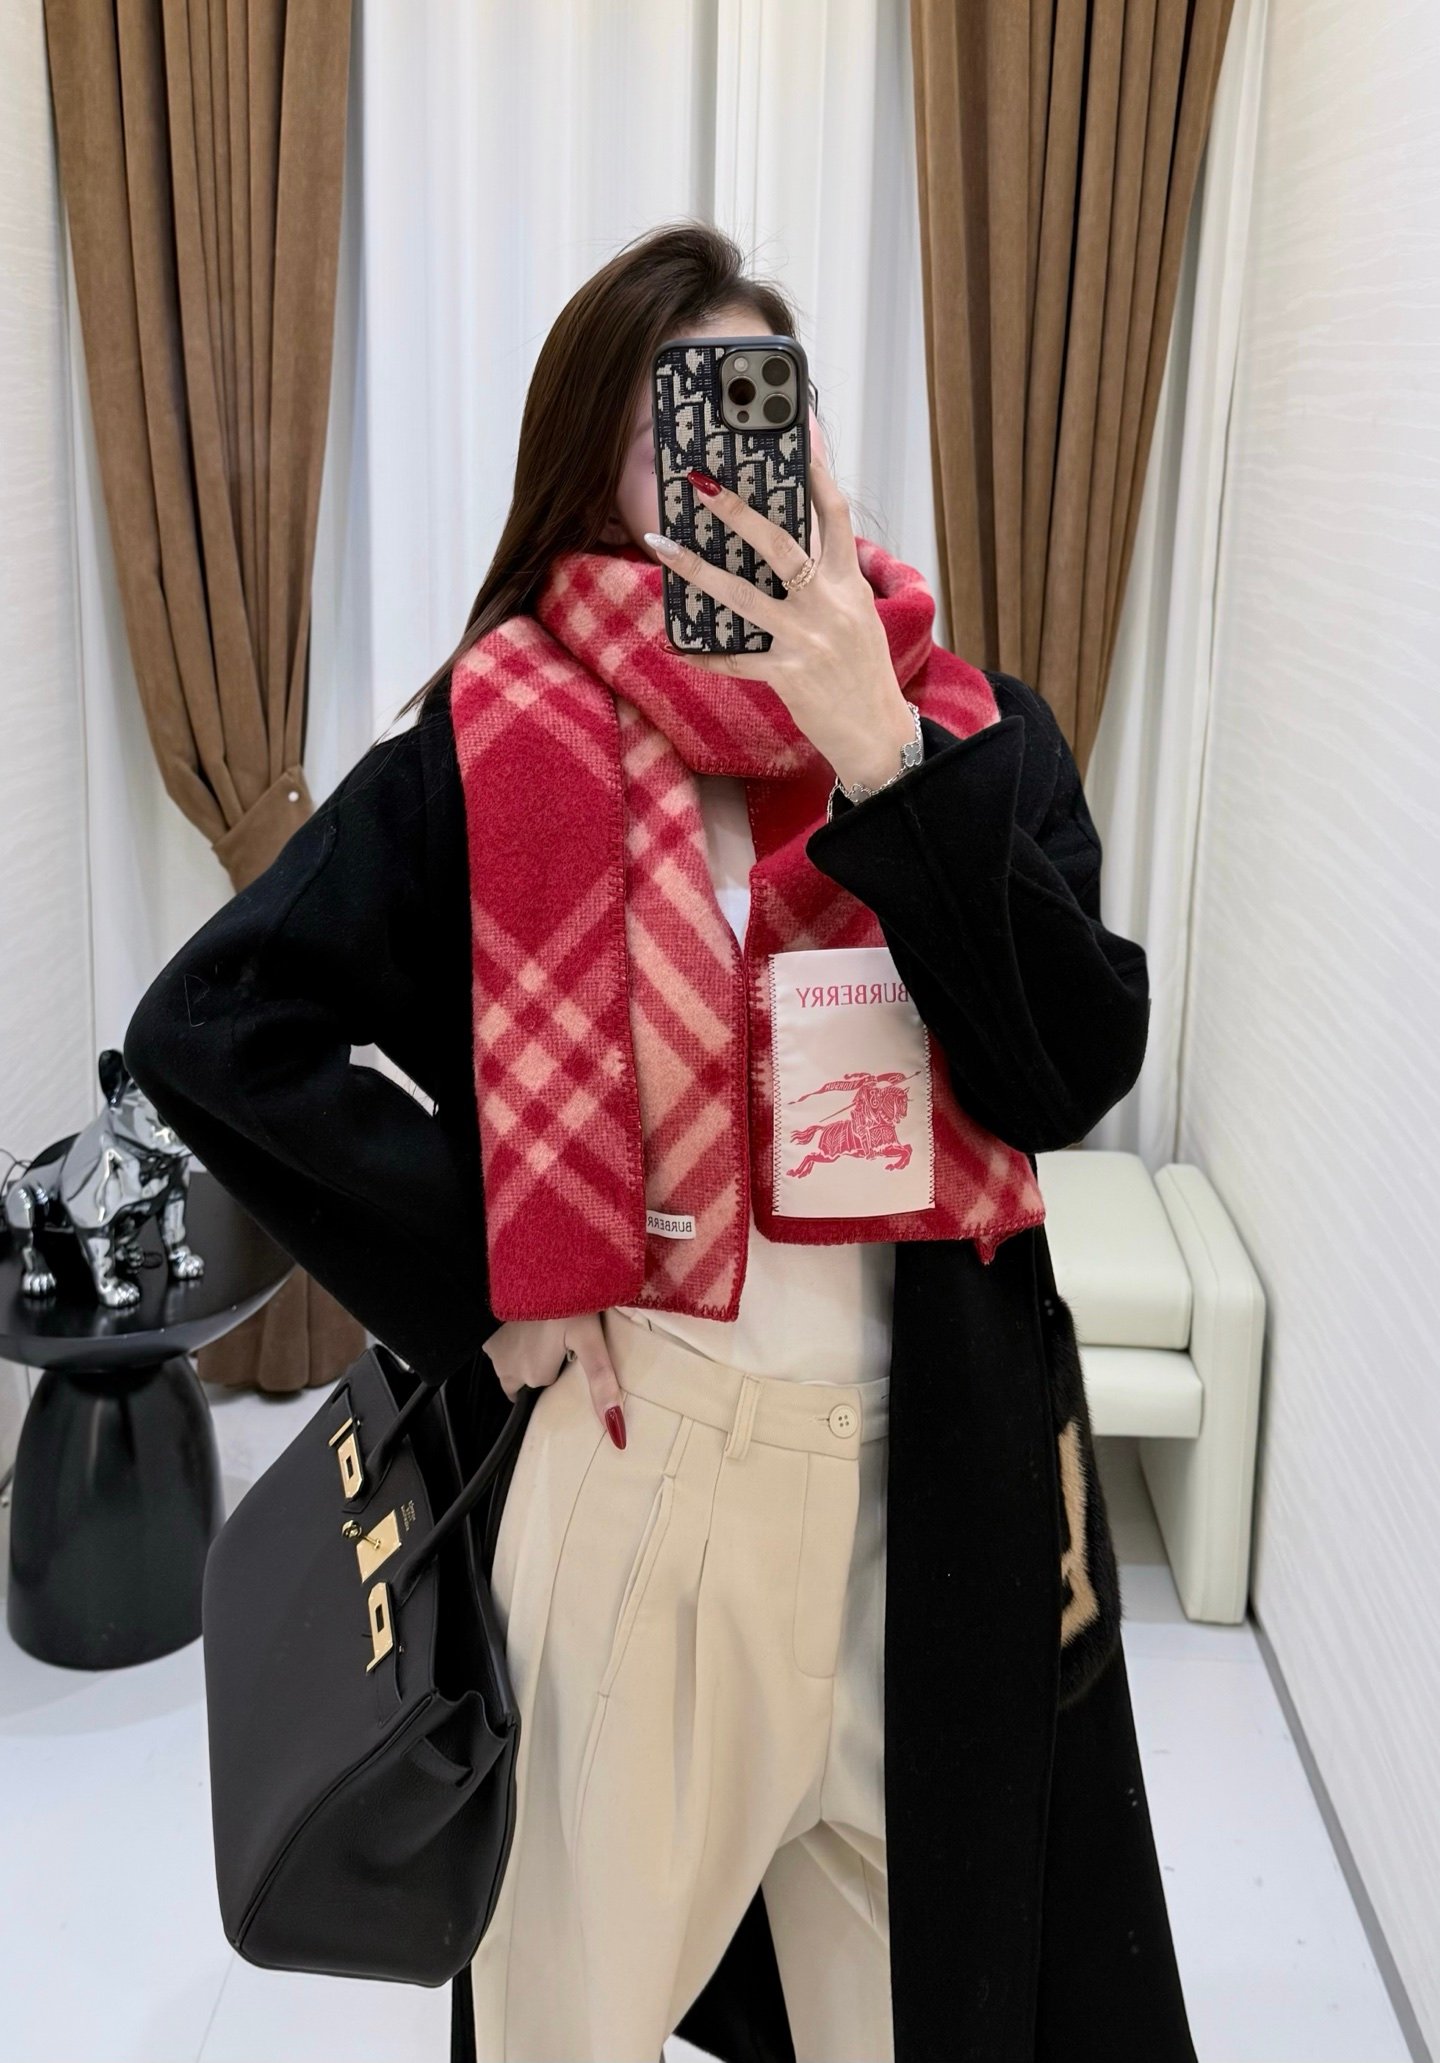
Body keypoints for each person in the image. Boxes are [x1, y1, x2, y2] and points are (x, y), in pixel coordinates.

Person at [123, 222, 1198, 2063]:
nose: (729, 475)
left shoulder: (966, 732)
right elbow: (213, 1033)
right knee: (572, 2023)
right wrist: (495, 1278)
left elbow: (1068, 1067)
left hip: (935, 1504)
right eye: (665, 436)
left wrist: (882, 762)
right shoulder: (503, 744)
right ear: (591, 489)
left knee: (918, 2014)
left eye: (762, 413)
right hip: (645, 1483)